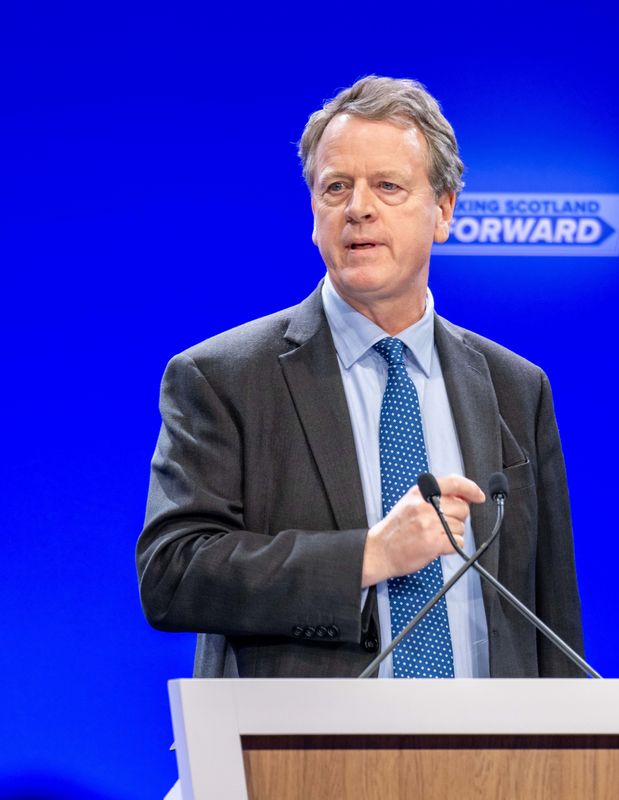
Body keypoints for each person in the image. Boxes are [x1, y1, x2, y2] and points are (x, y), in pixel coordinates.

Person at [136, 76, 584, 678]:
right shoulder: (223, 379)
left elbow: (553, 620)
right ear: (314, 212)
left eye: (388, 186)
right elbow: (173, 573)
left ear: (444, 210)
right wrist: (369, 556)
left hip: (486, 739)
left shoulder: (515, 387)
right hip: (302, 737)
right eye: (336, 187)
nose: (358, 208)